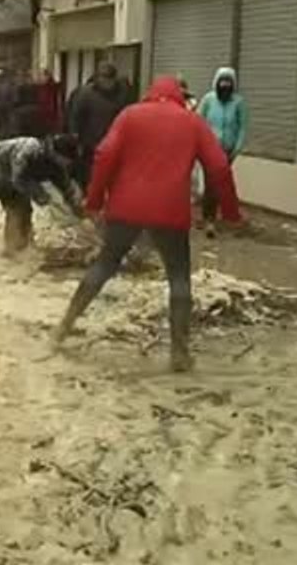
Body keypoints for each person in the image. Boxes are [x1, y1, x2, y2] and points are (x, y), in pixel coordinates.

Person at [54, 76, 242, 373]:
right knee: (179, 278)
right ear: (180, 96)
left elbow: (103, 155)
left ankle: (63, 328)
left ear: (150, 94)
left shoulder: (130, 116)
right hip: (170, 211)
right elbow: (219, 165)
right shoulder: (192, 122)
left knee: (104, 265)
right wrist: (231, 212)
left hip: (126, 207)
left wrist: (94, 201)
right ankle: (179, 353)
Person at [0, 134, 83, 256]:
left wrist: (76, 208)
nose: (67, 163)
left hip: (17, 179)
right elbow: (18, 177)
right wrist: (39, 194)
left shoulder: (58, 165)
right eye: (65, 160)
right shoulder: (29, 150)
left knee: (20, 212)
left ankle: (16, 247)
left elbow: (65, 186)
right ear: (56, 153)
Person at [196, 67, 247, 237]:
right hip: (209, 149)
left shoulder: (238, 102)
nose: (225, 85)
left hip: (228, 150)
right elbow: (198, 121)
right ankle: (209, 218)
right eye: (222, 82)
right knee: (211, 182)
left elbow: (242, 128)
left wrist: (237, 148)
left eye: (228, 82)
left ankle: (212, 215)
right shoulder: (209, 100)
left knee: (219, 184)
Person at [67, 63, 127, 189]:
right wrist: (75, 133)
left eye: (109, 79)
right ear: (98, 78)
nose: (107, 83)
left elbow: (126, 114)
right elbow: (76, 115)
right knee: (90, 169)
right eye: (104, 79)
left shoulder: (121, 93)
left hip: (113, 139)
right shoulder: (86, 94)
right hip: (91, 139)